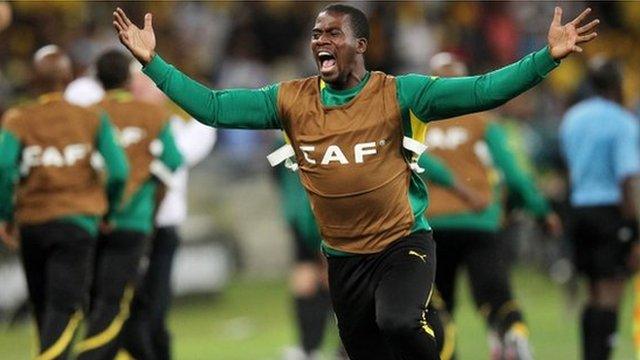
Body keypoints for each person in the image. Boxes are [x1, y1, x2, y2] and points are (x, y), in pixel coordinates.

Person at [113, 4, 597, 359]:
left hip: (403, 243)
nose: (320, 40)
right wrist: (153, 63)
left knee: (400, 320)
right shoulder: (290, 100)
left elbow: (483, 90)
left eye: (333, 33)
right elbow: (214, 108)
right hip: (344, 259)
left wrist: (546, 59)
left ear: (360, 45)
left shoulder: (401, 94)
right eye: (316, 33)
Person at [419, 52, 562, 360]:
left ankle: (444, 351)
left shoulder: (417, 124)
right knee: (494, 295)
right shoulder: (485, 123)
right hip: (480, 222)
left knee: (436, 307)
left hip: (431, 226)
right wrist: (541, 211)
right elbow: (515, 175)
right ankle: (513, 335)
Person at [0, 45, 128, 360]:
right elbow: (120, 171)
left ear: (33, 80)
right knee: (66, 309)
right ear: (68, 78)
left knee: (43, 308)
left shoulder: (19, 118)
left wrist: (7, 215)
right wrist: (107, 208)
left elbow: (4, 167)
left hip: (32, 223)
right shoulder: (90, 118)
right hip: (77, 221)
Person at [74, 49, 183, 360]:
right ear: (127, 79)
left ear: (97, 80)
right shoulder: (152, 114)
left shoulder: (85, 116)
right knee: (120, 303)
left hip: (94, 222)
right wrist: (150, 199)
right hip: (135, 223)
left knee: (106, 301)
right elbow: (173, 161)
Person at [121, 63, 216, 360]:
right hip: (127, 227)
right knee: (130, 311)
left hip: (161, 228)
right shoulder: (117, 126)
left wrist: (184, 92)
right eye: (135, 84)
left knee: (155, 312)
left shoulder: (173, 128)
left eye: (147, 84)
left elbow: (205, 125)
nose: (139, 90)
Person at [560, 57, 640, 360]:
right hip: (610, 212)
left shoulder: (572, 118)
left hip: (578, 209)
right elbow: (627, 180)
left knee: (592, 291)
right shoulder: (623, 122)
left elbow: (569, 168)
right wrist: (634, 230)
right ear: (618, 84)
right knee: (610, 292)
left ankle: (588, 355)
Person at [271, 137, 344, 360]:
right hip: (315, 215)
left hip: (308, 215)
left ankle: (312, 348)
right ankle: (325, 348)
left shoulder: (281, 143)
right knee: (323, 278)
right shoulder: (319, 135)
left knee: (315, 278)